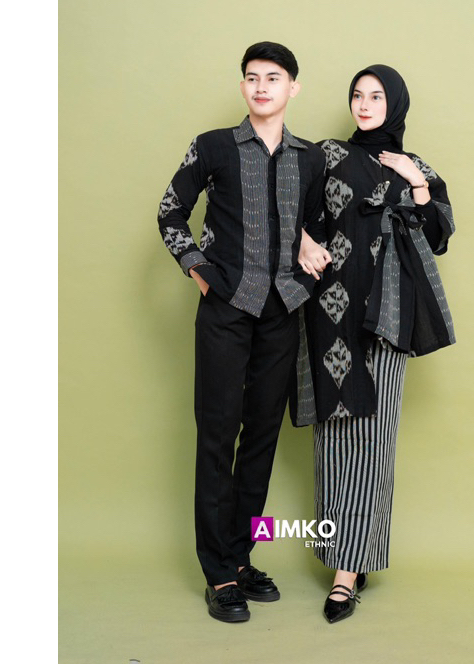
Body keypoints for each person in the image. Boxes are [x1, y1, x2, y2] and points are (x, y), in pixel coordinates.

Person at [157, 42, 328, 623]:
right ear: (243, 87)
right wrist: (200, 272)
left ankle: (241, 555)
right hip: (227, 309)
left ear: (292, 88)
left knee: (262, 439)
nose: (261, 87)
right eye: (252, 78)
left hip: (282, 309)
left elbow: (314, 224)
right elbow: (170, 212)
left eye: (272, 78)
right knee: (217, 435)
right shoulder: (213, 147)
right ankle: (218, 573)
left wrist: (305, 253)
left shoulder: (310, 158)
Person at [297, 64, 456, 623]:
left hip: (387, 316)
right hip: (330, 311)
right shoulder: (327, 154)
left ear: (396, 105)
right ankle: (346, 552)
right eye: (357, 95)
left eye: (377, 96)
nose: (364, 105)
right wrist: (302, 240)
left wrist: (416, 181)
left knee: (374, 440)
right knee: (334, 436)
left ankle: (347, 573)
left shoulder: (414, 166)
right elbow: (291, 206)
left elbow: (438, 235)